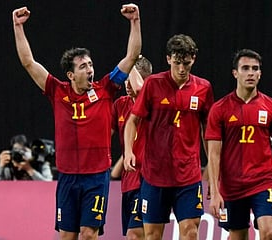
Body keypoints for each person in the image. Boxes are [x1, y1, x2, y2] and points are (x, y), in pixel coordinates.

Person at [12, 3, 141, 239]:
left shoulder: (106, 88)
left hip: (96, 176)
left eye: (90, 64)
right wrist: (18, 26)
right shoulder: (56, 91)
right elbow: (28, 62)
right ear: (71, 75)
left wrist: (135, 21)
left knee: (88, 233)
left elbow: (132, 56)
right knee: (67, 236)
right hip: (67, 177)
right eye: (83, 66)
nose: (90, 69)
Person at [123, 34, 214, 240]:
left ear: (194, 60)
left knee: (190, 232)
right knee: (153, 236)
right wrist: (128, 150)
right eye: (177, 62)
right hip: (155, 175)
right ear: (168, 59)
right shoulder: (153, 84)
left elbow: (207, 129)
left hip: (188, 176)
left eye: (186, 63)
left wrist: (212, 165)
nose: (182, 69)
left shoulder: (204, 88)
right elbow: (132, 121)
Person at [205, 49, 272, 240]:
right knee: (238, 236)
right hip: (232, 185)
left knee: (269, 232)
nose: (251, 73)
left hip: (263, 181)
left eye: (255, 69)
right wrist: (215, 189)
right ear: (235, 73)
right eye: (245, 68)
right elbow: (213, 154)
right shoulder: (219, 109)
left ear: (260, 74)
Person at [110, 55, 152, 239]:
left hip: (147, 179)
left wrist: (132, 59)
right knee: (133, 235)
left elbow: (139, 89)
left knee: (135, 235)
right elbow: (105, 134)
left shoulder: (153, 102)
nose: (127, 83)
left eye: (132, 77)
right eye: (125, 78)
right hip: (128, 181)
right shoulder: (120, 105)